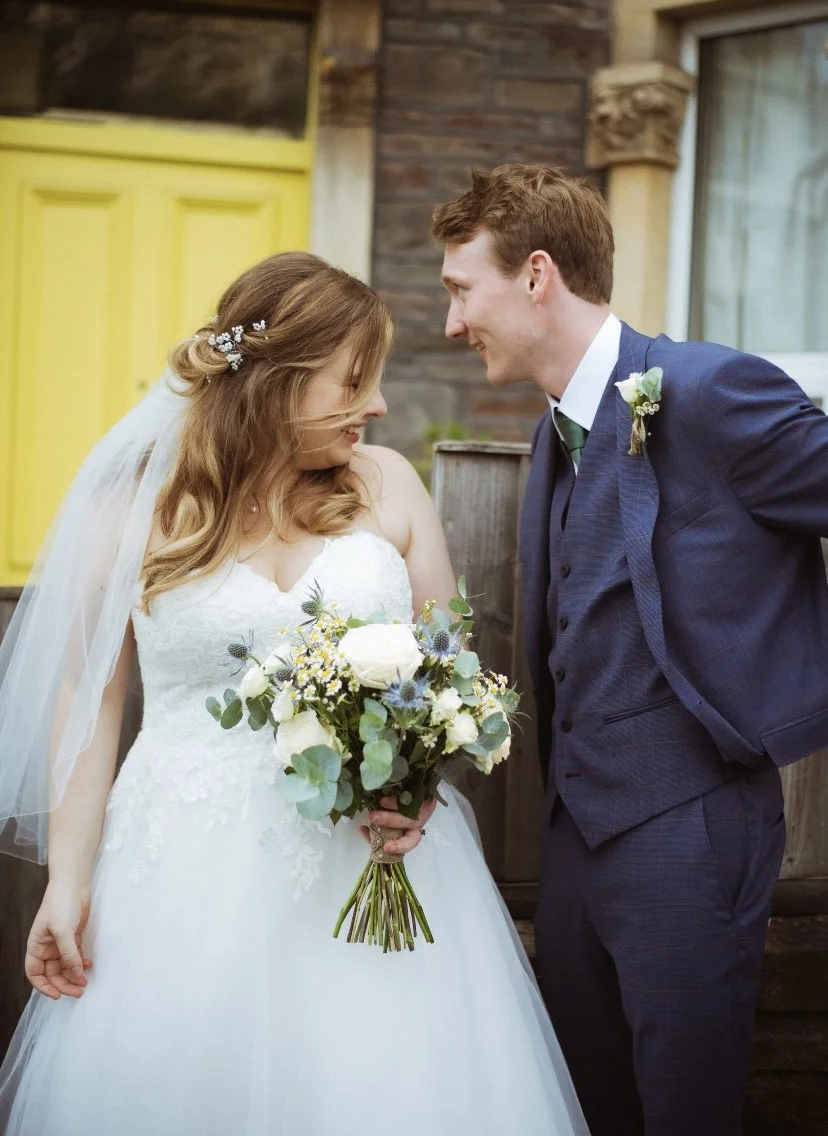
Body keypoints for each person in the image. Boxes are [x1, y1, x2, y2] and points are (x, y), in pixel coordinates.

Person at [0, 251, 587, 1136]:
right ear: (275, 382)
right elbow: (90, 704)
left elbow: (447, 669)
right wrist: (67, 885)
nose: (380, 405)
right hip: (180, 876)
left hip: (372, 866)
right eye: (355, 381)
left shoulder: (388, 485)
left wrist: (418, 786)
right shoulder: (133, 511)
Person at [433, 164, 828, 1136]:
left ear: (535, 276)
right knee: (587, 1107)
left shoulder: (705, 387)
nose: (451, 323)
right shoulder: (548, 436)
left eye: (459, 289)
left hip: (690, 822)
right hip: (575, 837)